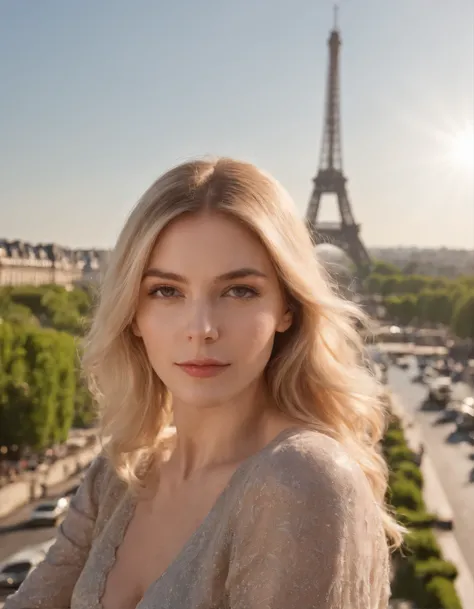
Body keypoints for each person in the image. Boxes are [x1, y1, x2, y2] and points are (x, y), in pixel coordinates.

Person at [5, 158, 403, 609]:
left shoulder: (302, 480)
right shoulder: (120, 474)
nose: (202, 328)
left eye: (239, 291)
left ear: (287, 309)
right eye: (166, 291)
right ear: (133, 313)